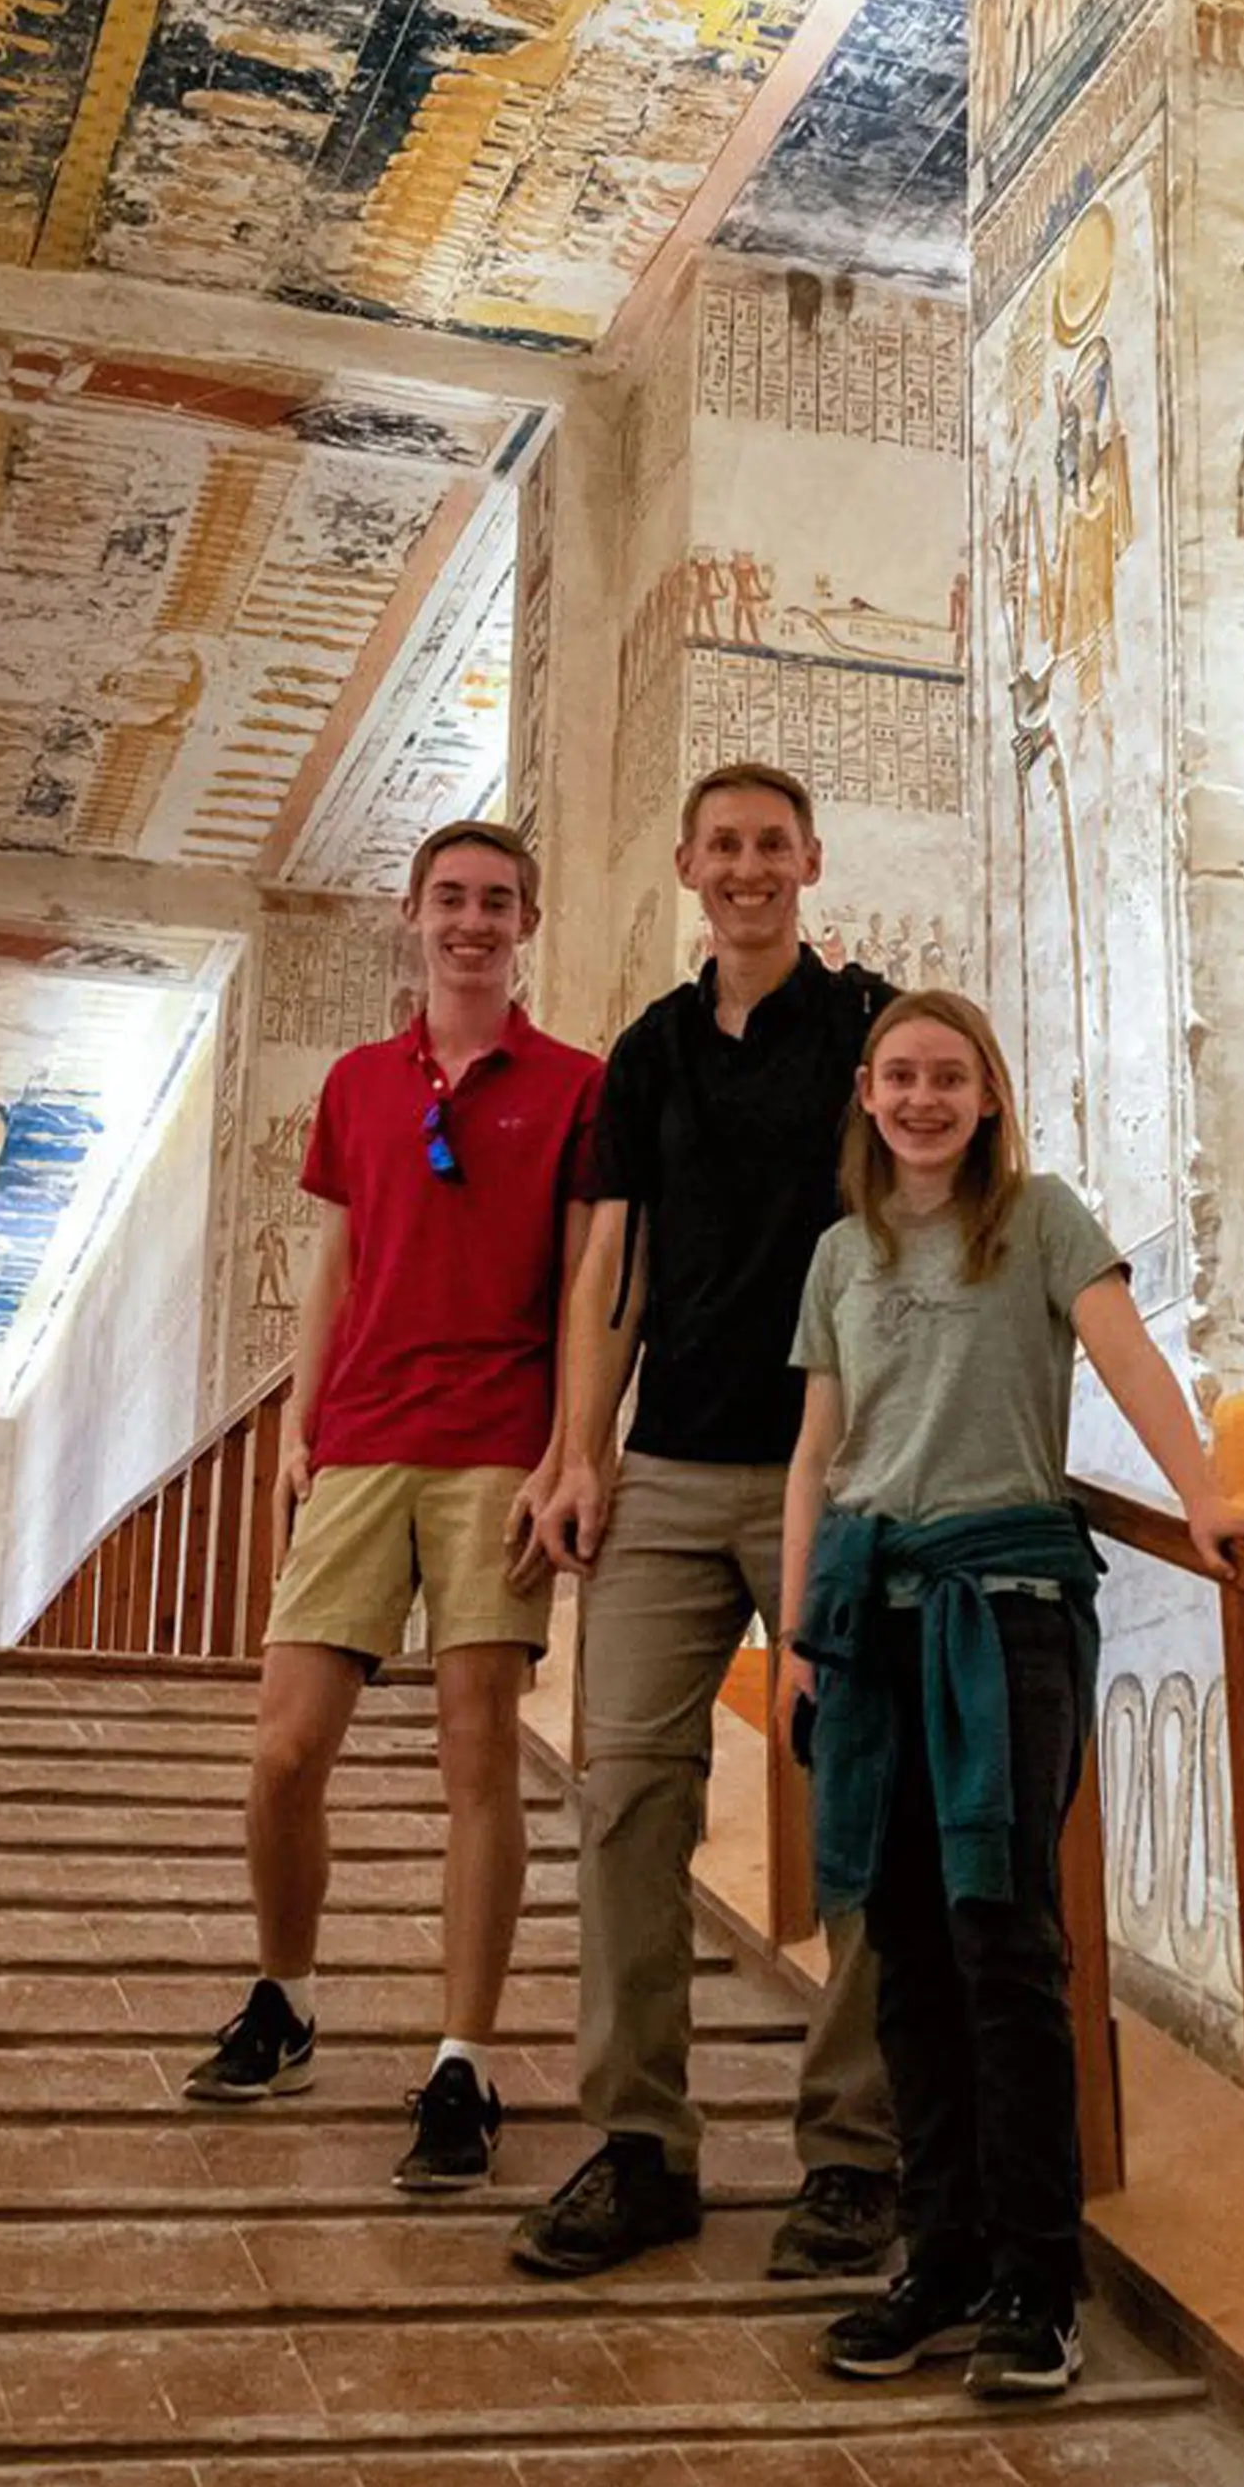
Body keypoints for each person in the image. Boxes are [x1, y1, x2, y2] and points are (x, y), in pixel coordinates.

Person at [779, 991, 1244, 2395]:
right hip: (871, 1614)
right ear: (868, 1095)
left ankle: (1035, 2273)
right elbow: (818, 1452)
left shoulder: (1043, 1218)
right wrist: (794, 1636)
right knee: (895, 1936)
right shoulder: (840, 1252)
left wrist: (1209, 1501)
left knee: (1001, 1935)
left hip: (1002, 1606)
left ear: (991, 1093)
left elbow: (1127, 1354)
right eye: (901, 1075)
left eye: (951, 1075)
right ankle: (937, 2250)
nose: (925, 1097)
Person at [514, 764, 906, 2280]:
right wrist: (576, 1450)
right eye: (722, 846)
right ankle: (641, 2145)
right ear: (687, 864)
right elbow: (610, 1262)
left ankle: (854, 2152)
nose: (746, 868)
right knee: (626, 1807)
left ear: (810, 860)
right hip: (670, 1470)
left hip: (834, 1462)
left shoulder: (867, 1025)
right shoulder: (654, 1049)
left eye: (770, 845)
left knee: (858, 1805)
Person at [182, 821, 602, 2201]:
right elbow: (340, 1249)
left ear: (526, 920)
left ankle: (463, 2059)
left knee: (478, 1752)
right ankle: (285, 1993)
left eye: (496, 901)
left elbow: (593, 1288)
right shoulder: (362, 1084)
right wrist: (302, 1417)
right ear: (412, 916)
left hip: (496, 1448)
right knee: (286, 1747)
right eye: (450, 900)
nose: (471, 922)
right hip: (361, 1442)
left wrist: (568, 1447)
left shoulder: (575, 1086)